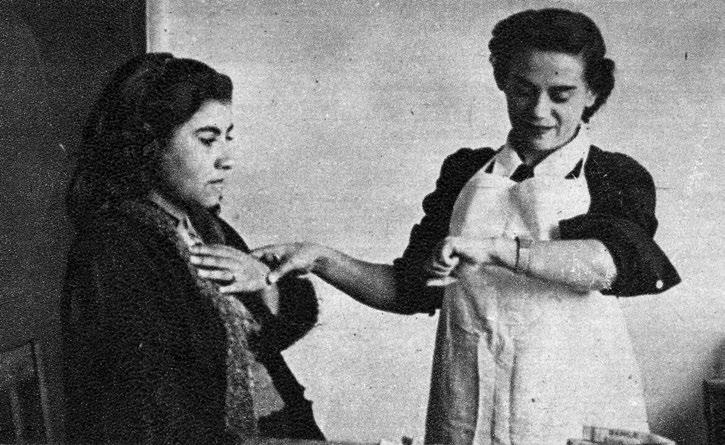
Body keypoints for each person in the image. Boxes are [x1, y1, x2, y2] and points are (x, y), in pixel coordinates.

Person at [219, 8, 681, 444]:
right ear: (502, 83)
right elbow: (408, 290)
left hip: (575, 406)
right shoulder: (465, 172)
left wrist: (494, 249)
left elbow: (610, 265)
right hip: (469, 404)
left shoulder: (614, 175)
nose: (539, 110)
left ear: (592, 94)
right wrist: (321, 259)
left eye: (560, 95)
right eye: (523, 91)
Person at [62, 53, 324, 443]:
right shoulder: (114, 248)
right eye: (207, 139)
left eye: (228, 137)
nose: (226, 159)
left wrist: (265, 284)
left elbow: (280, 324)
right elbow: (148, 417)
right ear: (150, 144)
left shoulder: (204, 226)